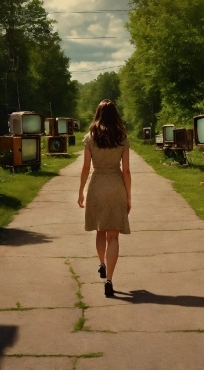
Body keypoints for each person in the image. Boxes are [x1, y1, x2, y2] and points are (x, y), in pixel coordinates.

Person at [77, 99, 131, 297]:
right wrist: (129, 196)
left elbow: (85, 168)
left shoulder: (90, 137)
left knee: (100, 231)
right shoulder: (122, 137)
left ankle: (101, 263)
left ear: (98, 113)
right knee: (113, 236)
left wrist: (80, 191)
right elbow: (126, 170)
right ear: (115, 114)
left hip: (97, 185)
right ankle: (109, 279)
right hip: (116, 186)